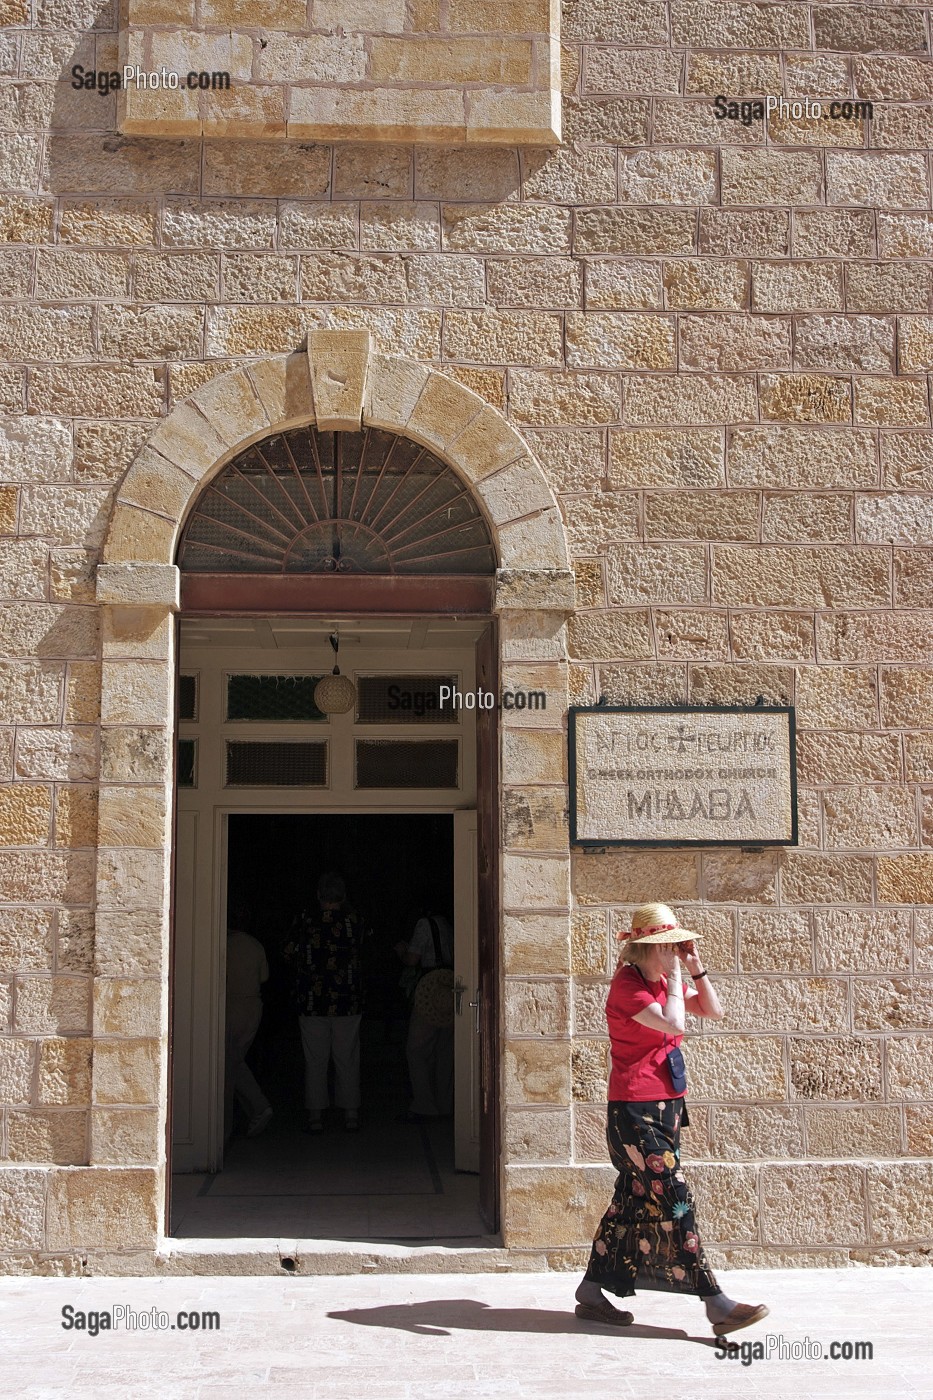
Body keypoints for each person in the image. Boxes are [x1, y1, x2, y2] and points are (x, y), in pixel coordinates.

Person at [575, 902, 769, 1339]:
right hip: (634, 1113)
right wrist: (680, 975)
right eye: (668, 946)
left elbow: (713, 1011)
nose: (674, 951)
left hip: (666, 1108)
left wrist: (695, 968)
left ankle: (590, 1290)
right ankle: (715, 1302)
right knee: (676, 1199)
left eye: (676, 945)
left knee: (631, 1201)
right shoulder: (627, 987)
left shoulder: (664, 980)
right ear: (646, 948)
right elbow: (674, 1022)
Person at [285, 872, 365, 1133]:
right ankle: (350, 1113)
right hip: (348, 999)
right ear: (343, 896)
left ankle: (315, 1115)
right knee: (347, 1056)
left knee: (315, 1059)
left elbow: (288, 952)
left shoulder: (305, 920)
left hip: (312, 1000)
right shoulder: (355, 920)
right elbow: (367, 950)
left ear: (319, 895)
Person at [395, 901, 454, 1122]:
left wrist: (402, 952)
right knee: (445, 1052)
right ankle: (446, 1104)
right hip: (449, 987)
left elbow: (412, 959)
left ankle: (424, 1104)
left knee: (416, 1050)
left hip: (431, 990)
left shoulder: (424, 924)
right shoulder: (448, 923)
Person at [224, 908, 273, 1142]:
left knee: (228, 1062)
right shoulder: (255, 945)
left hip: (229, 1006)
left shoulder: (222, 944)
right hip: (252, 1007)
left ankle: (257, 1107)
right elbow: (264, 977)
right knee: (231, 1061)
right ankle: (254, 1110)